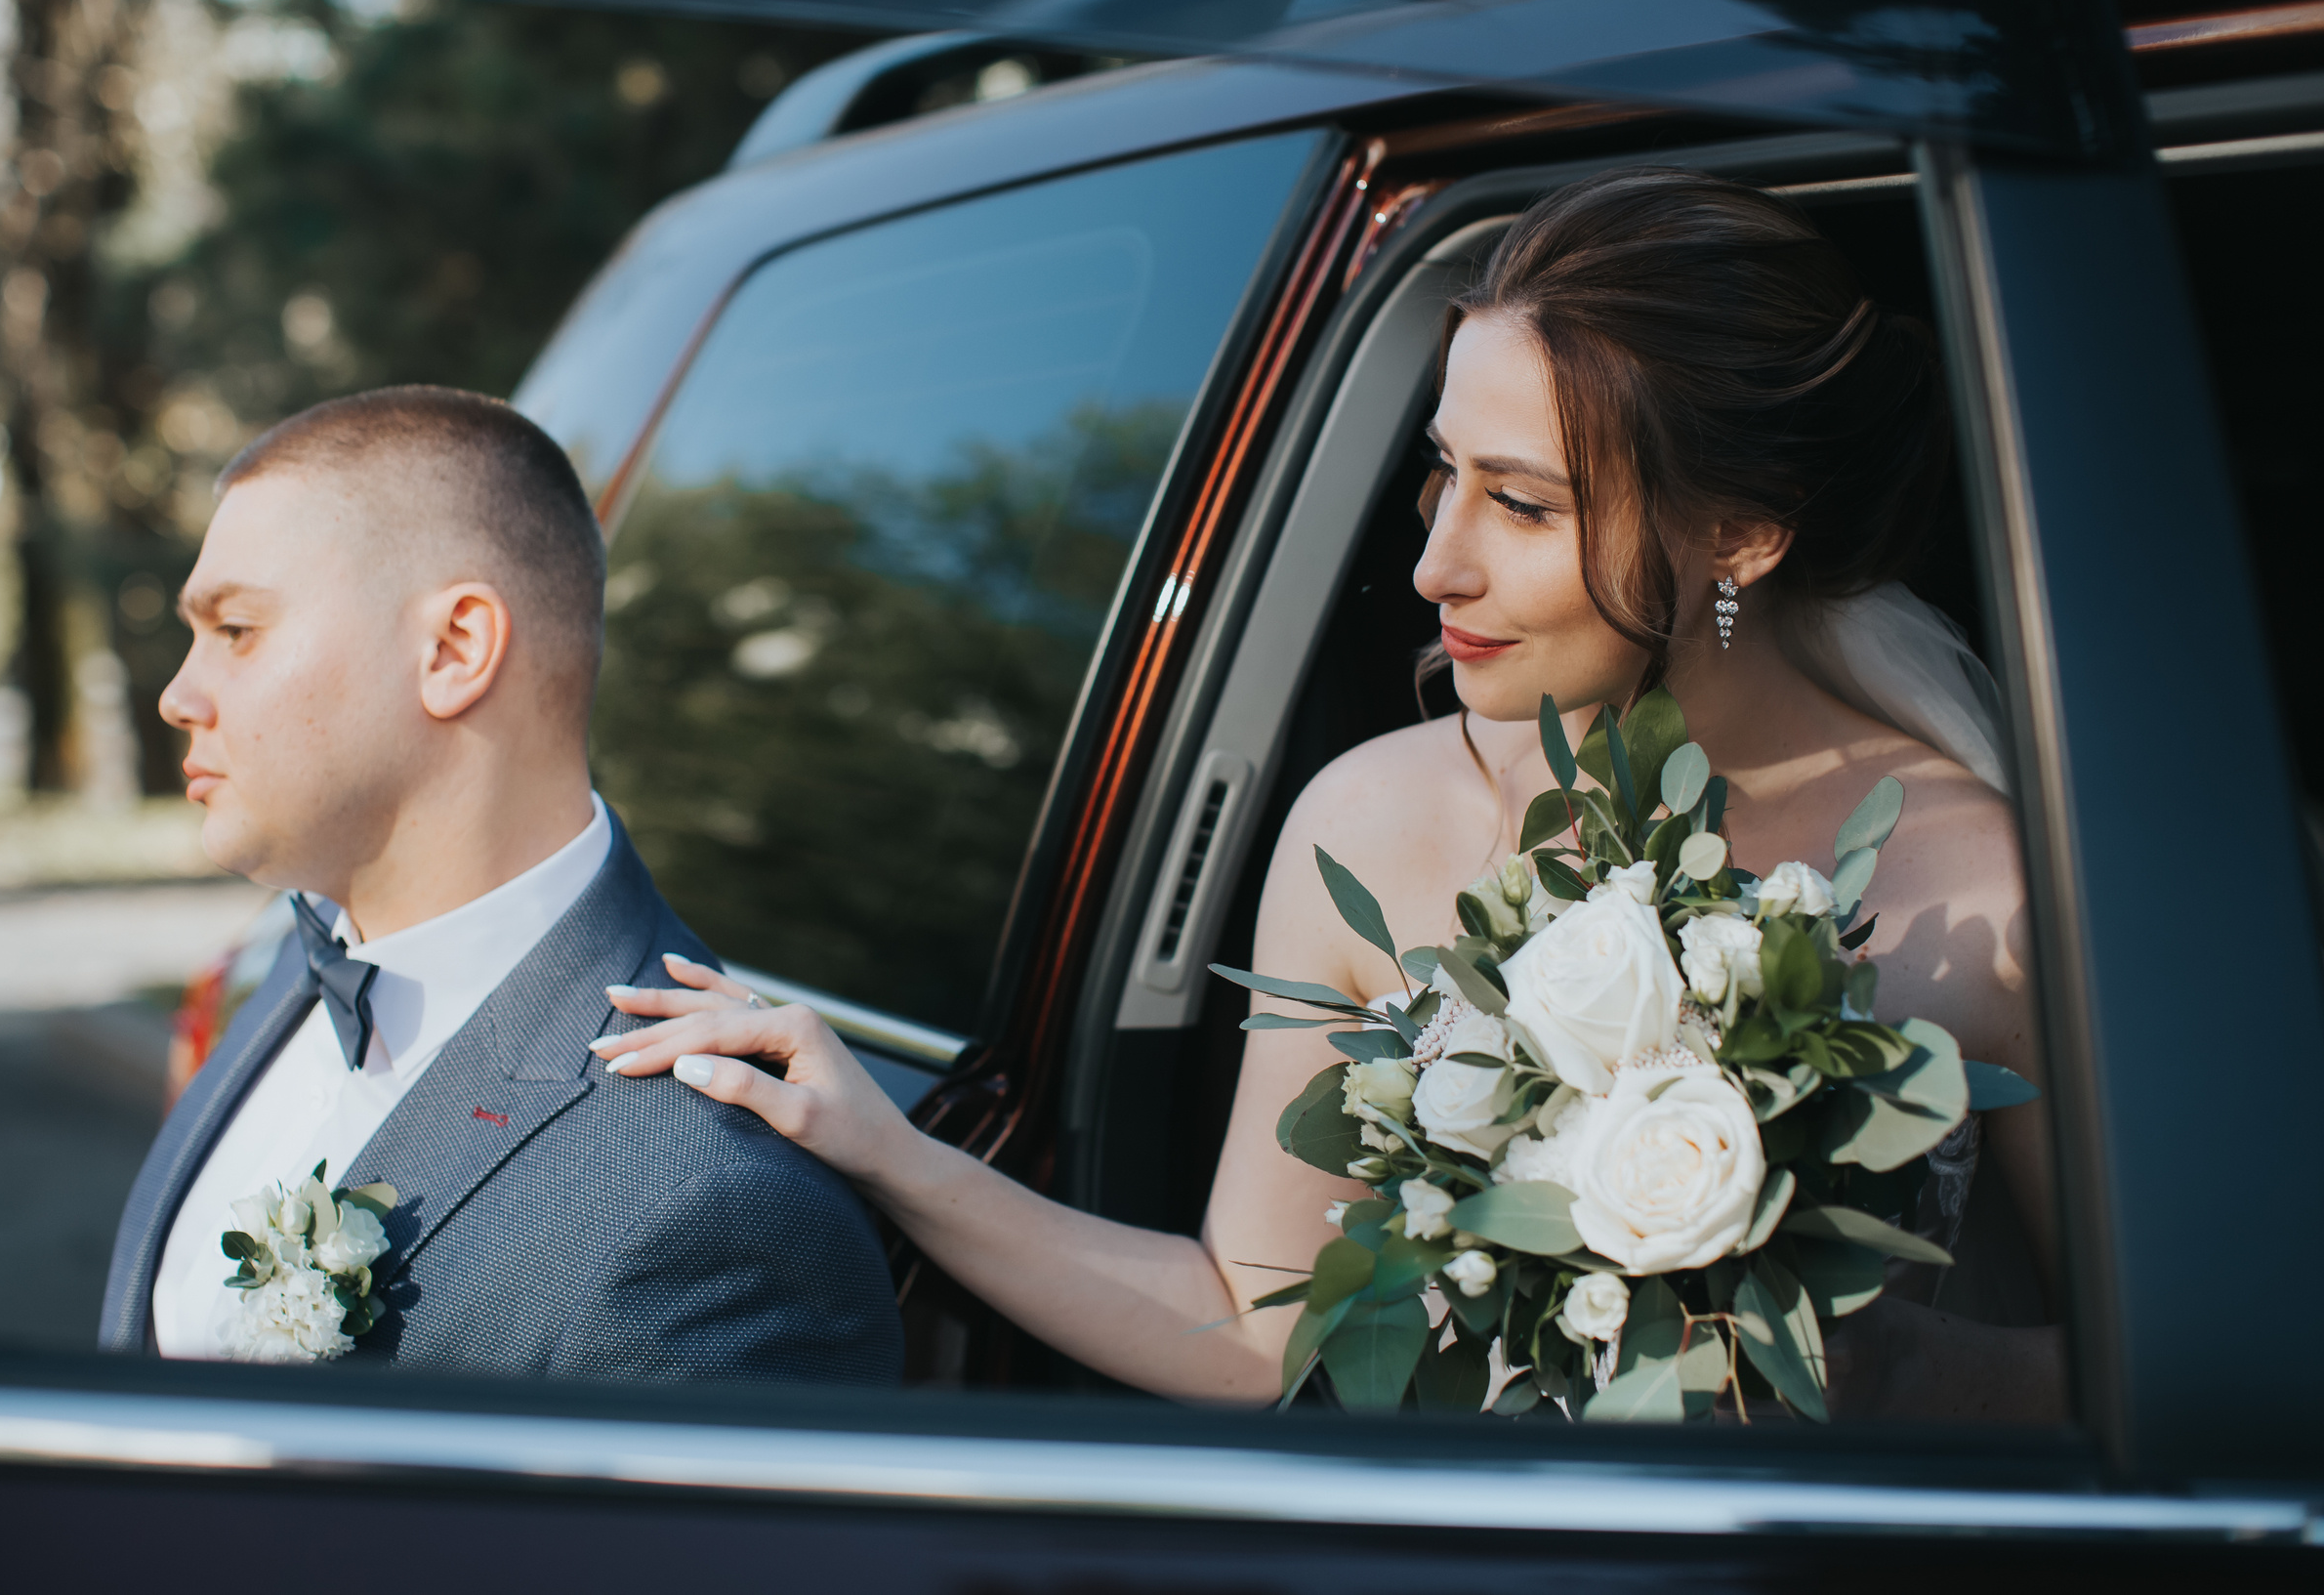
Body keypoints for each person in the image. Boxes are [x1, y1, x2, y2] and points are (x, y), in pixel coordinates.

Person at [591, 168, 2062, 1419]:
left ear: (1739, 534)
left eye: (1522, 503)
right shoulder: (1375, 823)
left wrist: (1887, 1365)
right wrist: (883, 1148)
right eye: (1444, 474)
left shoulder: (1989, 895)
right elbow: (1261, 1326)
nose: (1434, 566)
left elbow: (2171, 1380)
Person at [100, 386, 901, 1384]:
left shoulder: (715, 1212)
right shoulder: (291, 966)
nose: (178, 695)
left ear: (454, 650)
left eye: (235, 628)